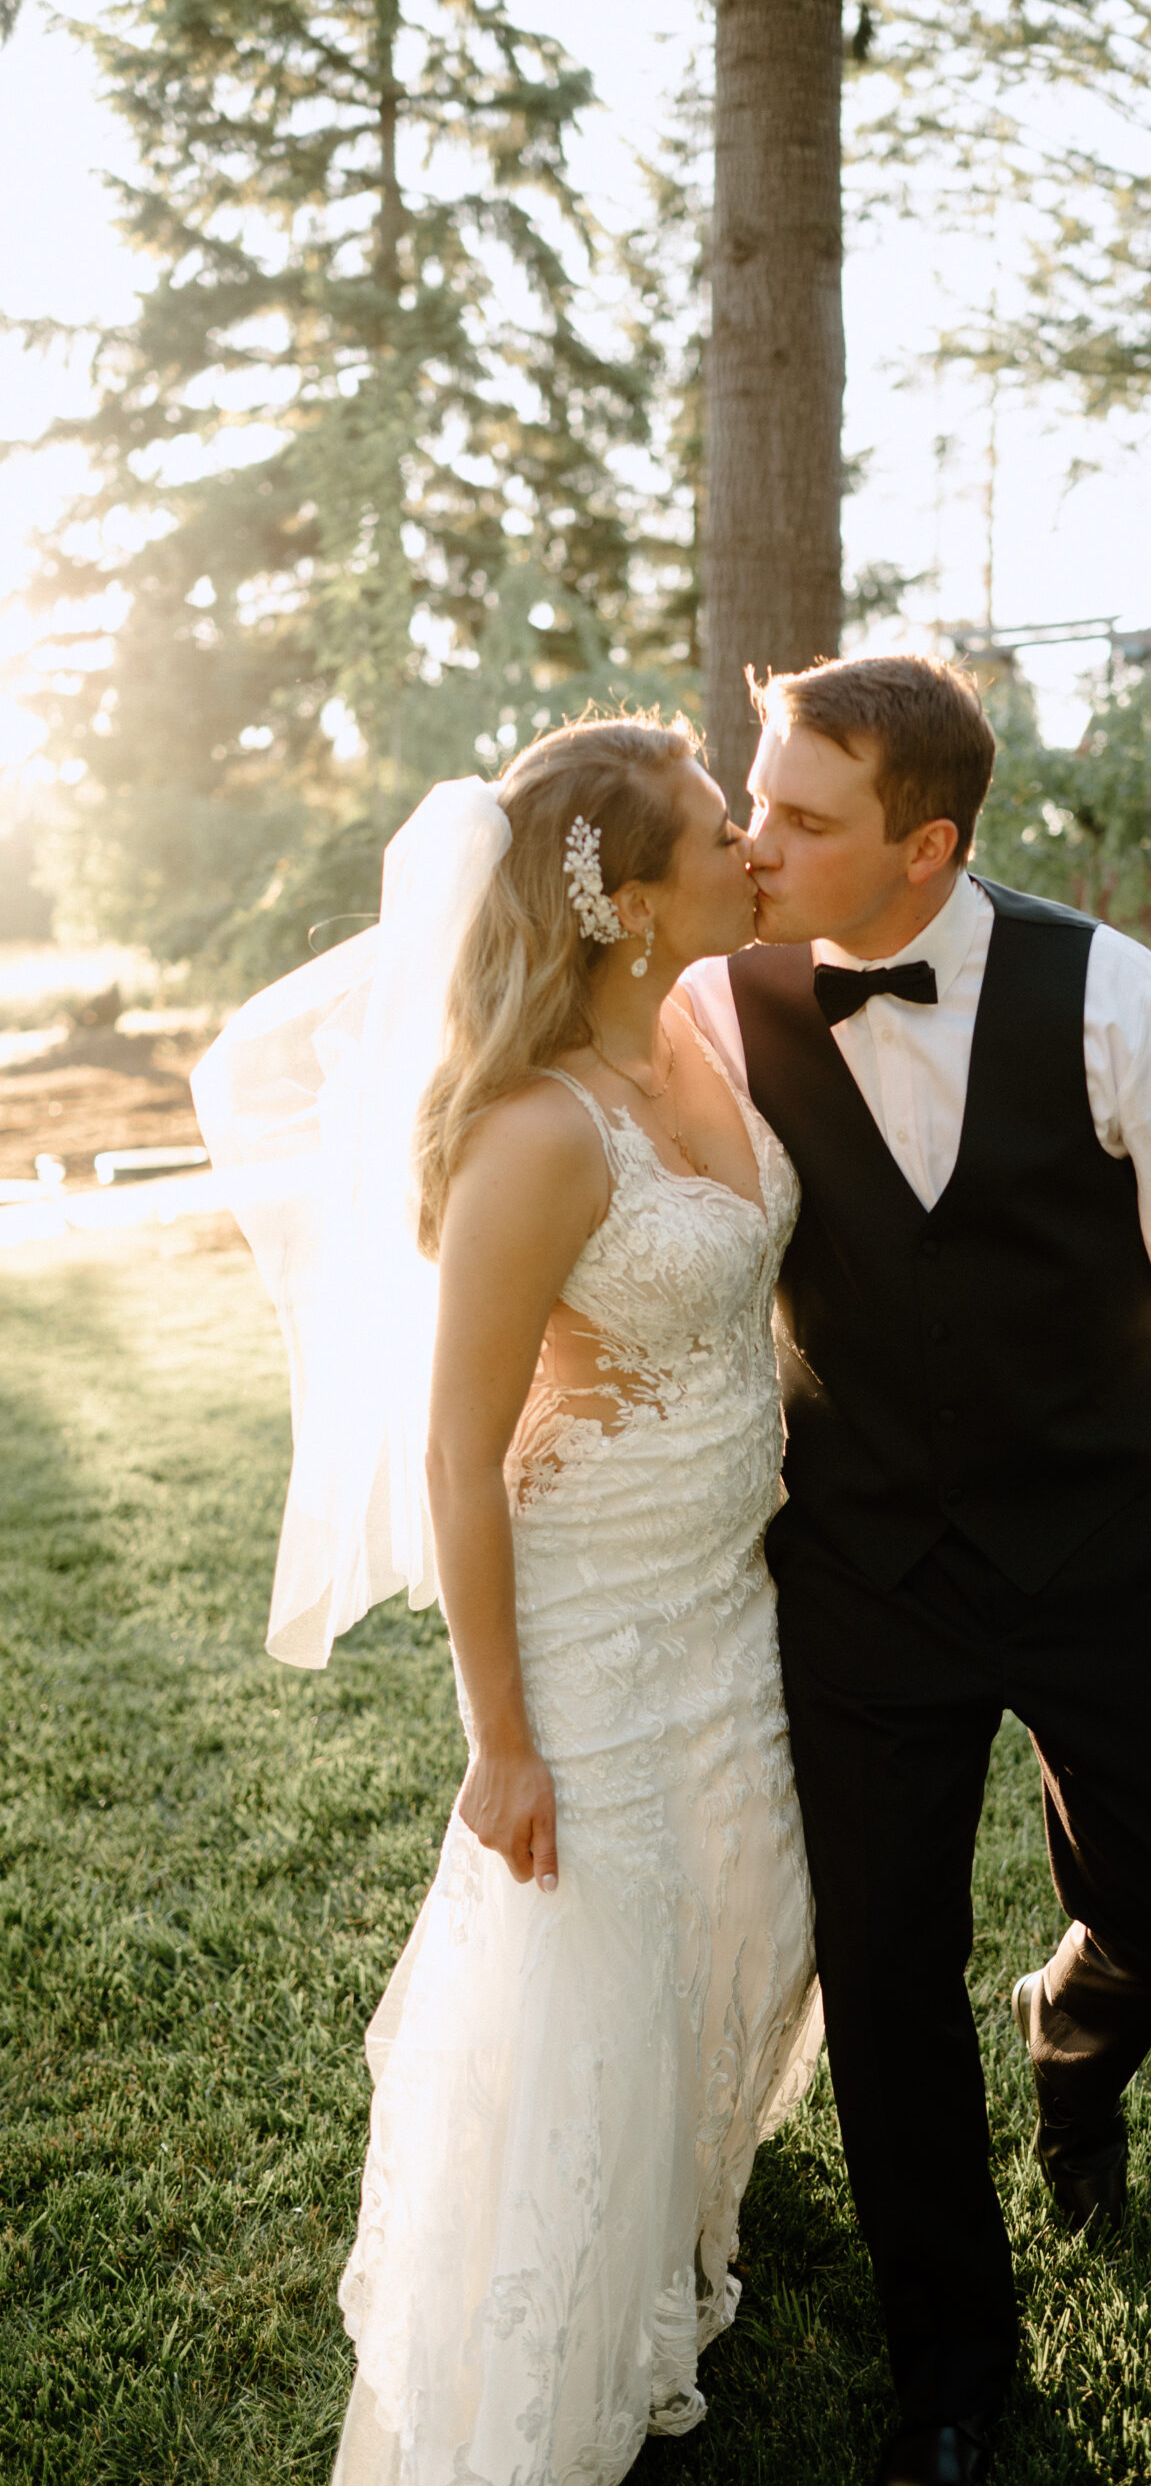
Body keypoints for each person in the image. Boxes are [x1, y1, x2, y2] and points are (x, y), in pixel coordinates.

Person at [683, 654, 1151, 2486]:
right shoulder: (714, 1005)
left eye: (802, 817)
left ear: (926, 844)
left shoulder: (1109, 993)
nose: (757, 837)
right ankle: (952, 2378)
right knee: (882, 1973)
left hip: (1108, 1539)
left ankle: (1075, 2027)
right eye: (757, 794)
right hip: (863, 1564)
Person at [193, 714, 821, 2486]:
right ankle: (547, 2348)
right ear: (627, 902)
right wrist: (502, 1738)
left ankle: (685, 2231)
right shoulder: (537, 1135)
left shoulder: (700, 1028)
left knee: (738, 1918)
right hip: (589, 1610)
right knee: (589, 1978)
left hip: (727, 1583)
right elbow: (461, 1451)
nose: (747, 853)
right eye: (717, 836)